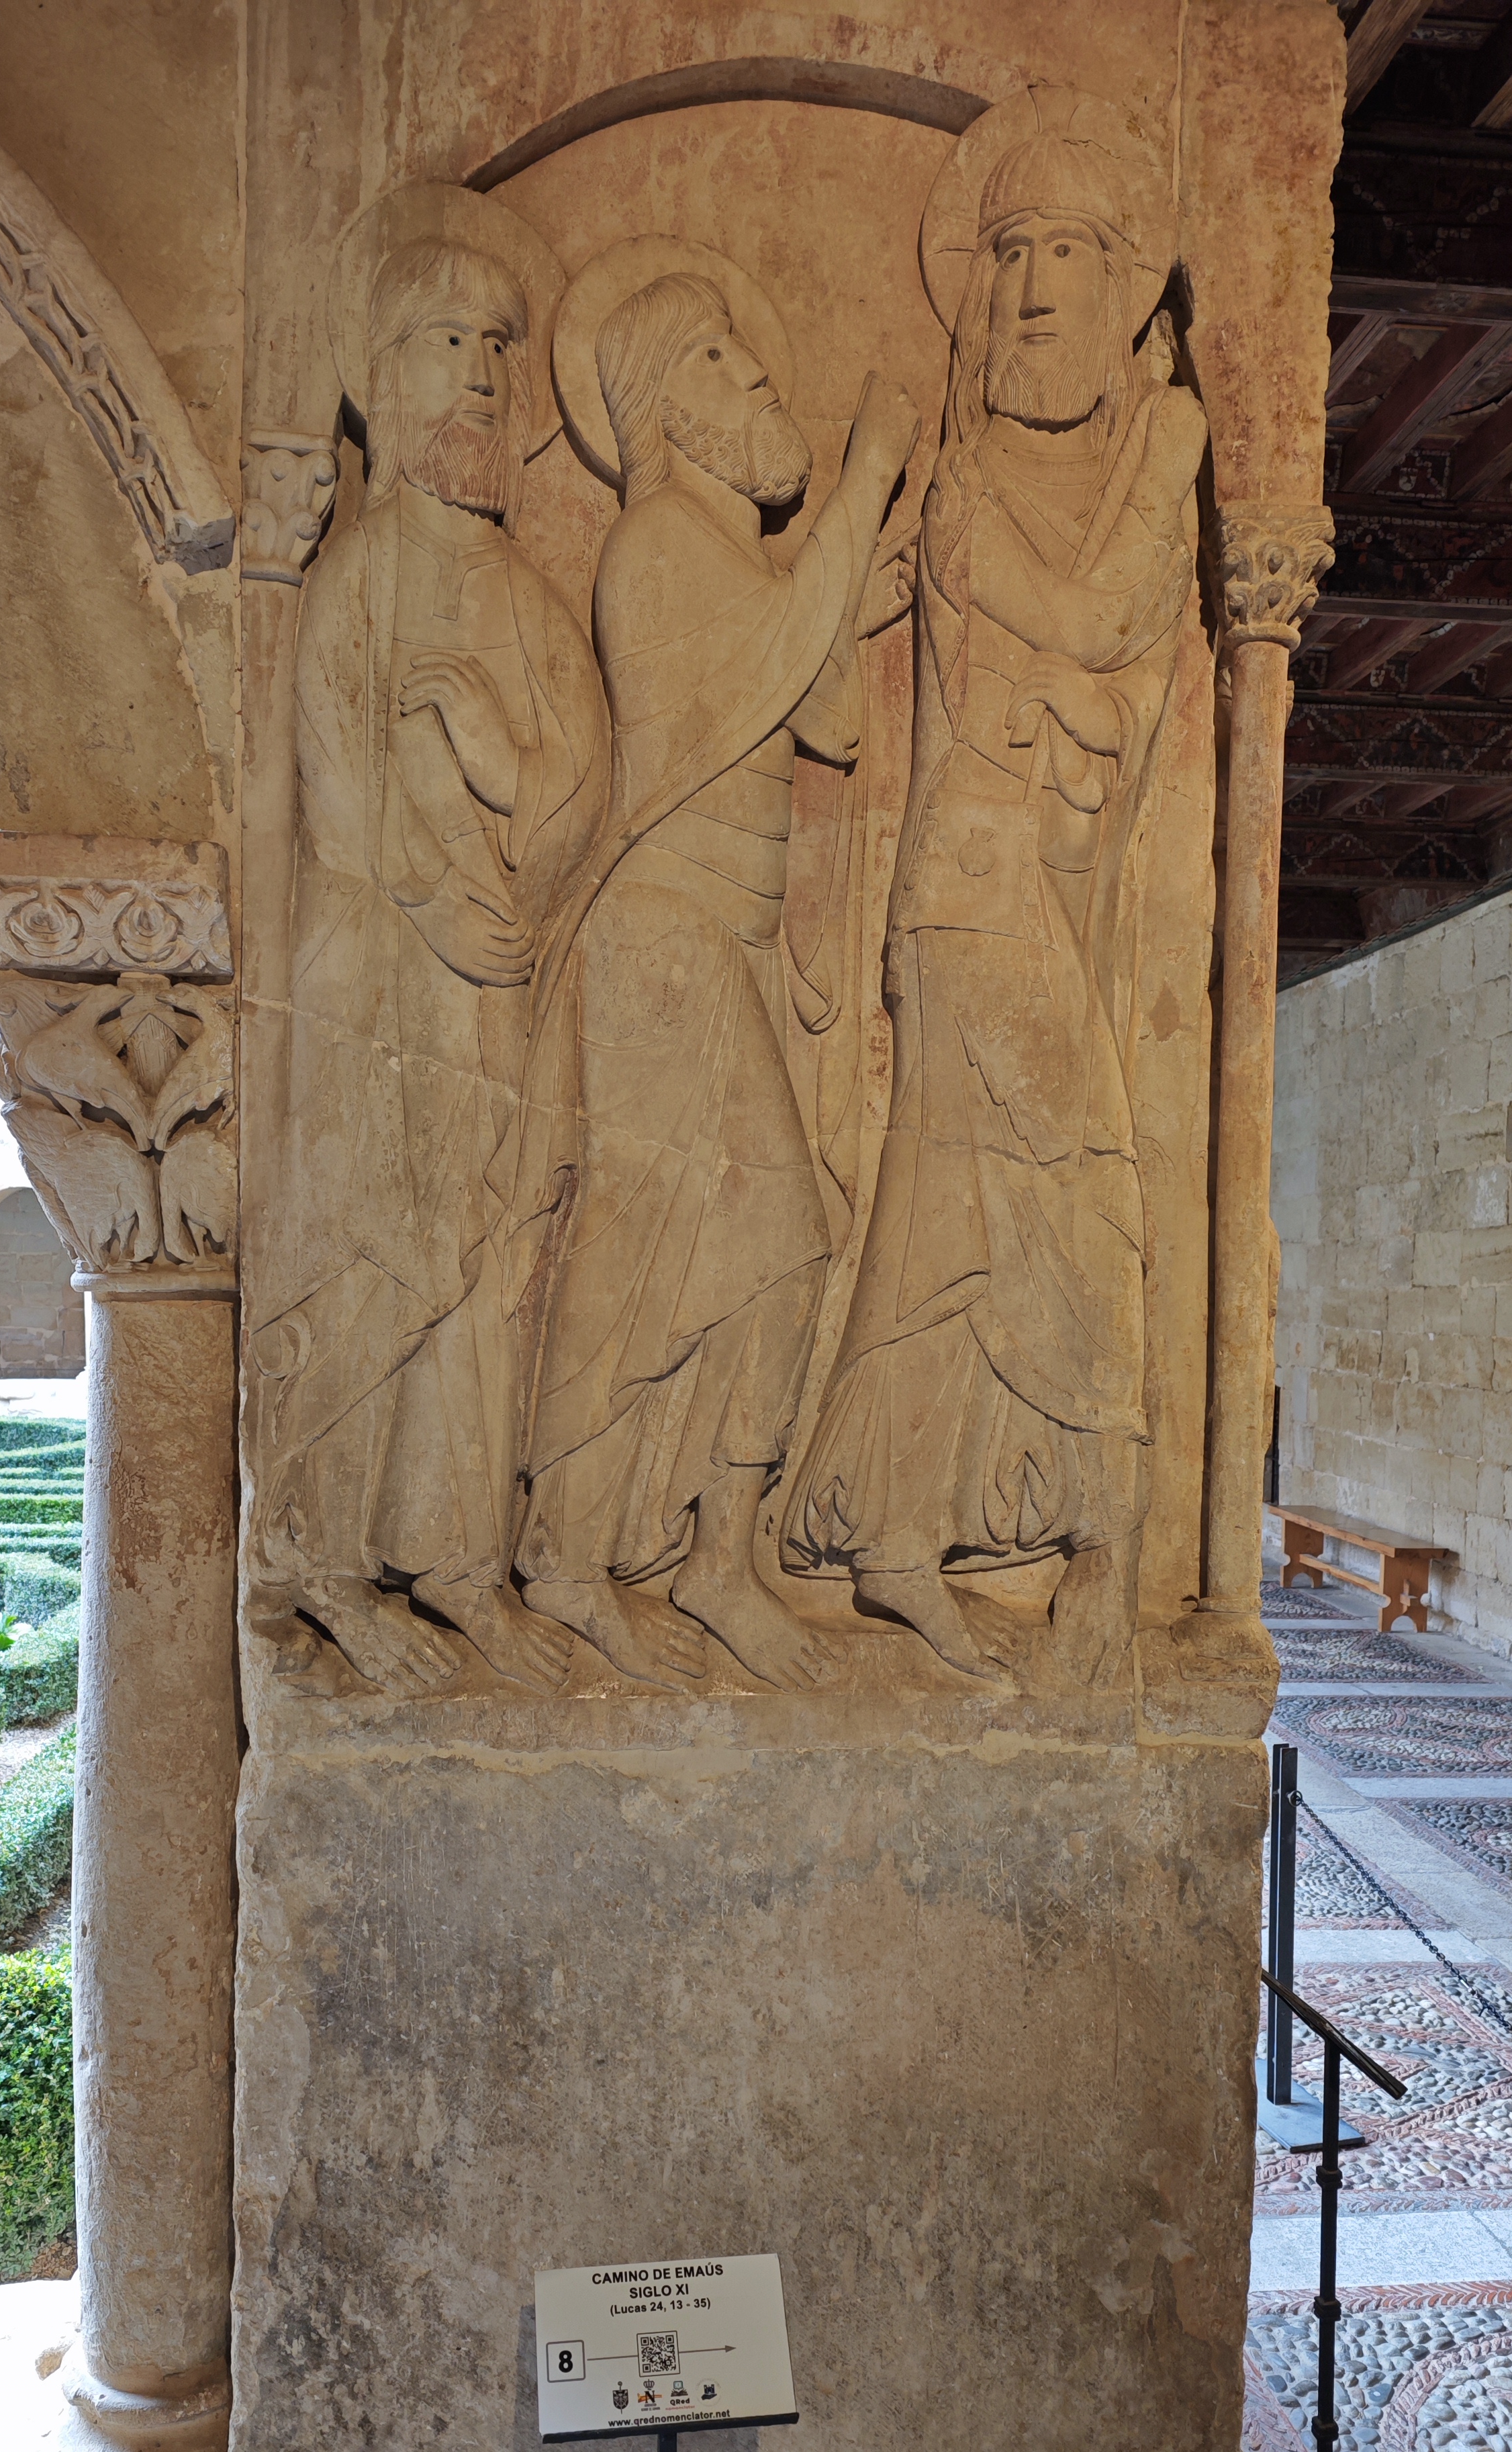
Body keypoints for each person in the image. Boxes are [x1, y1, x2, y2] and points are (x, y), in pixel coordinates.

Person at [786, 125, 1206, 1684]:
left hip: (1050, 887)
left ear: (1122, 292)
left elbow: (1122, 675)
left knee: (965, 1218)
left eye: (1069, 254)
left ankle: (907, 1537)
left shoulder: (1115, 478)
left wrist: (1163, 469)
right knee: (1068, 1199)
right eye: (1011, 253)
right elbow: (1088, 622)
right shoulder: (967, 486)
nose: (1032, 286)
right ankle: (1101, 1543)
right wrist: (1172, 456)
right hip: (970, 895)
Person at [509, 267, 918, 1688]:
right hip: (657, 936)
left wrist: (847, 585)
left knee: (750, 1247)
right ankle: (584, 1554)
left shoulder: (733, 560)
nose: (757, 381)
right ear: (664, 404)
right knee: (672, 1240)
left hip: (720, 942)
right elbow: (766, 672)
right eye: (723, 363)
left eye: (752, 358)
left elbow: (833, 718)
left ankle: (705, 1557)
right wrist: (863, 482)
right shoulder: (655, 547)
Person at [253, 228, 609, 1693]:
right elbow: (338, 791)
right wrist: (439, 901)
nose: (480, 375)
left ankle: (460, 1564)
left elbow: (583, 779)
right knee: (377, 1260)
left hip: (501, 975)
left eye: (496, 349)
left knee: (487, 1271)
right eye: (447, 344)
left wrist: (500, 764)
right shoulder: (360, 577)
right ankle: (323, 1567)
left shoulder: (521, 591)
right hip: (381, 981)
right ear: (386, 381)